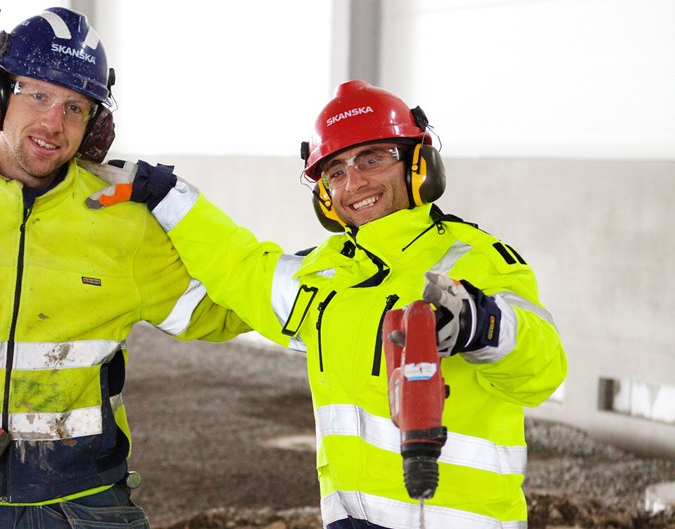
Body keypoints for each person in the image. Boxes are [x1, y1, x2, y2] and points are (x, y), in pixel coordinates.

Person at [86, 80, 567, 529]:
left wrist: (483, 326)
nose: (354, 182)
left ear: (417, 164)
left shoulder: (474, 259)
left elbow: (543, 372)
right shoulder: (325, 275)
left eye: (372, 159)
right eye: (336, 171)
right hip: (349, 518)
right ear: (324, 196)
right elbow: (241, 268)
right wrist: (170, 197)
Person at [0, 7, 248, 529]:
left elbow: (213, 312)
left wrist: (320, 278)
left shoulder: (122, 221)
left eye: (76, 108)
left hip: (81, 499)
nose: (53, 124)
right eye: (37, 95)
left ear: (95, 126)